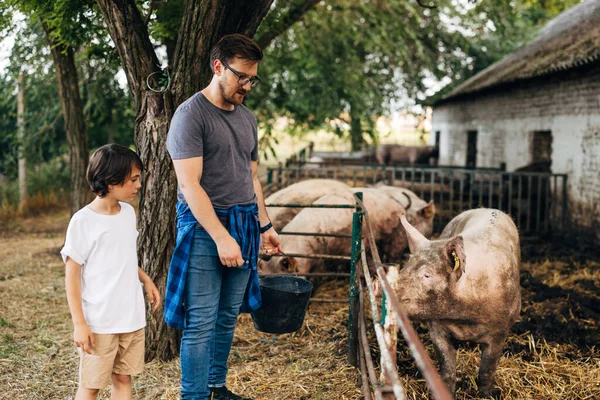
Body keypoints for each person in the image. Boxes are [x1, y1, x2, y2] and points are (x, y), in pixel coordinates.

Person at [164, 34, 283, 400]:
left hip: (245, 223)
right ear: (218, 67)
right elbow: (190, 186)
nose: (247, 85)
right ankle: (194, 396)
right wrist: (220, 236)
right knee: (200, 322)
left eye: (253, 78)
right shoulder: (190, 116)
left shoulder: (248, 119)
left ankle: (217, 387)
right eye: (241, 77)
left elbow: (251, 178)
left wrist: (265, 226)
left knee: (228, 315)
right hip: (204, 228)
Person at [61, 144, 161, 400]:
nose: (139, 185)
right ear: (111, 181)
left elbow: (123, 256)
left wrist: (146, 279)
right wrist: (79, 323)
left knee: (123, 377)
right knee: (91, 385)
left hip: (130, 317)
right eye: (134, 180)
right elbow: (71, 275)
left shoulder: (128, 213)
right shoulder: (83, 221)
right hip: (100, 322)